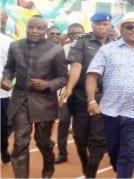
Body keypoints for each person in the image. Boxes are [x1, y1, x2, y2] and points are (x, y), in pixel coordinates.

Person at [85, 11, 134, 178]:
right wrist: (92, 101)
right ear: (122, 29)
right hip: (110, 110)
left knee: (129, 151)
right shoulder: (107, 51)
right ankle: (119, 167)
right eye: (130, 27)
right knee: (114, 150)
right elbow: (92, 75)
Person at [0, 15, 68, 178]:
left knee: (43, 142)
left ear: (45, 30)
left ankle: (49, 165)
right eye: (31, 27)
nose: (35, 31)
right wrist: (6, 79)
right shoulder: (15, 46)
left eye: (39, 28)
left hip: (44, 102)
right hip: (20, 100)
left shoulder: (56, 50)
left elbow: (63, 78)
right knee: (20, 143)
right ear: (26, 27)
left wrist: (47, 84)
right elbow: (9, 67)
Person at [58, 12, 112, 178]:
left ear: (110, 26)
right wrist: (69, 87)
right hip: (81, 95)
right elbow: (76, 66)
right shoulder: (82, 40)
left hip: (106, 96)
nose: (101, 27)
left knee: (97, 139)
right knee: (80, 138)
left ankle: (91, 173)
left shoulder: (117, 44)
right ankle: (86, 164)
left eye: (105, 24)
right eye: (98, 24)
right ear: (92, 25)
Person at [54, 23, 84, 164]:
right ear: (68, 35)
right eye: (72, 33)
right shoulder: (63, 50)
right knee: (63, 122)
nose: (76, 36)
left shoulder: (90, 49)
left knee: (80, 127)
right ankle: (62, 152)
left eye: (79, 33)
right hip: (65, 92)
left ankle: (84, 153)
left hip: (82, 93)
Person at [0, 9, 13, 164]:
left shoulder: (8, 41)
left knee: (5, 127)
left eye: (3, 16)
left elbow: (14, 66)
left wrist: (9, 79)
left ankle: (3, 148)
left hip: (3, 94)